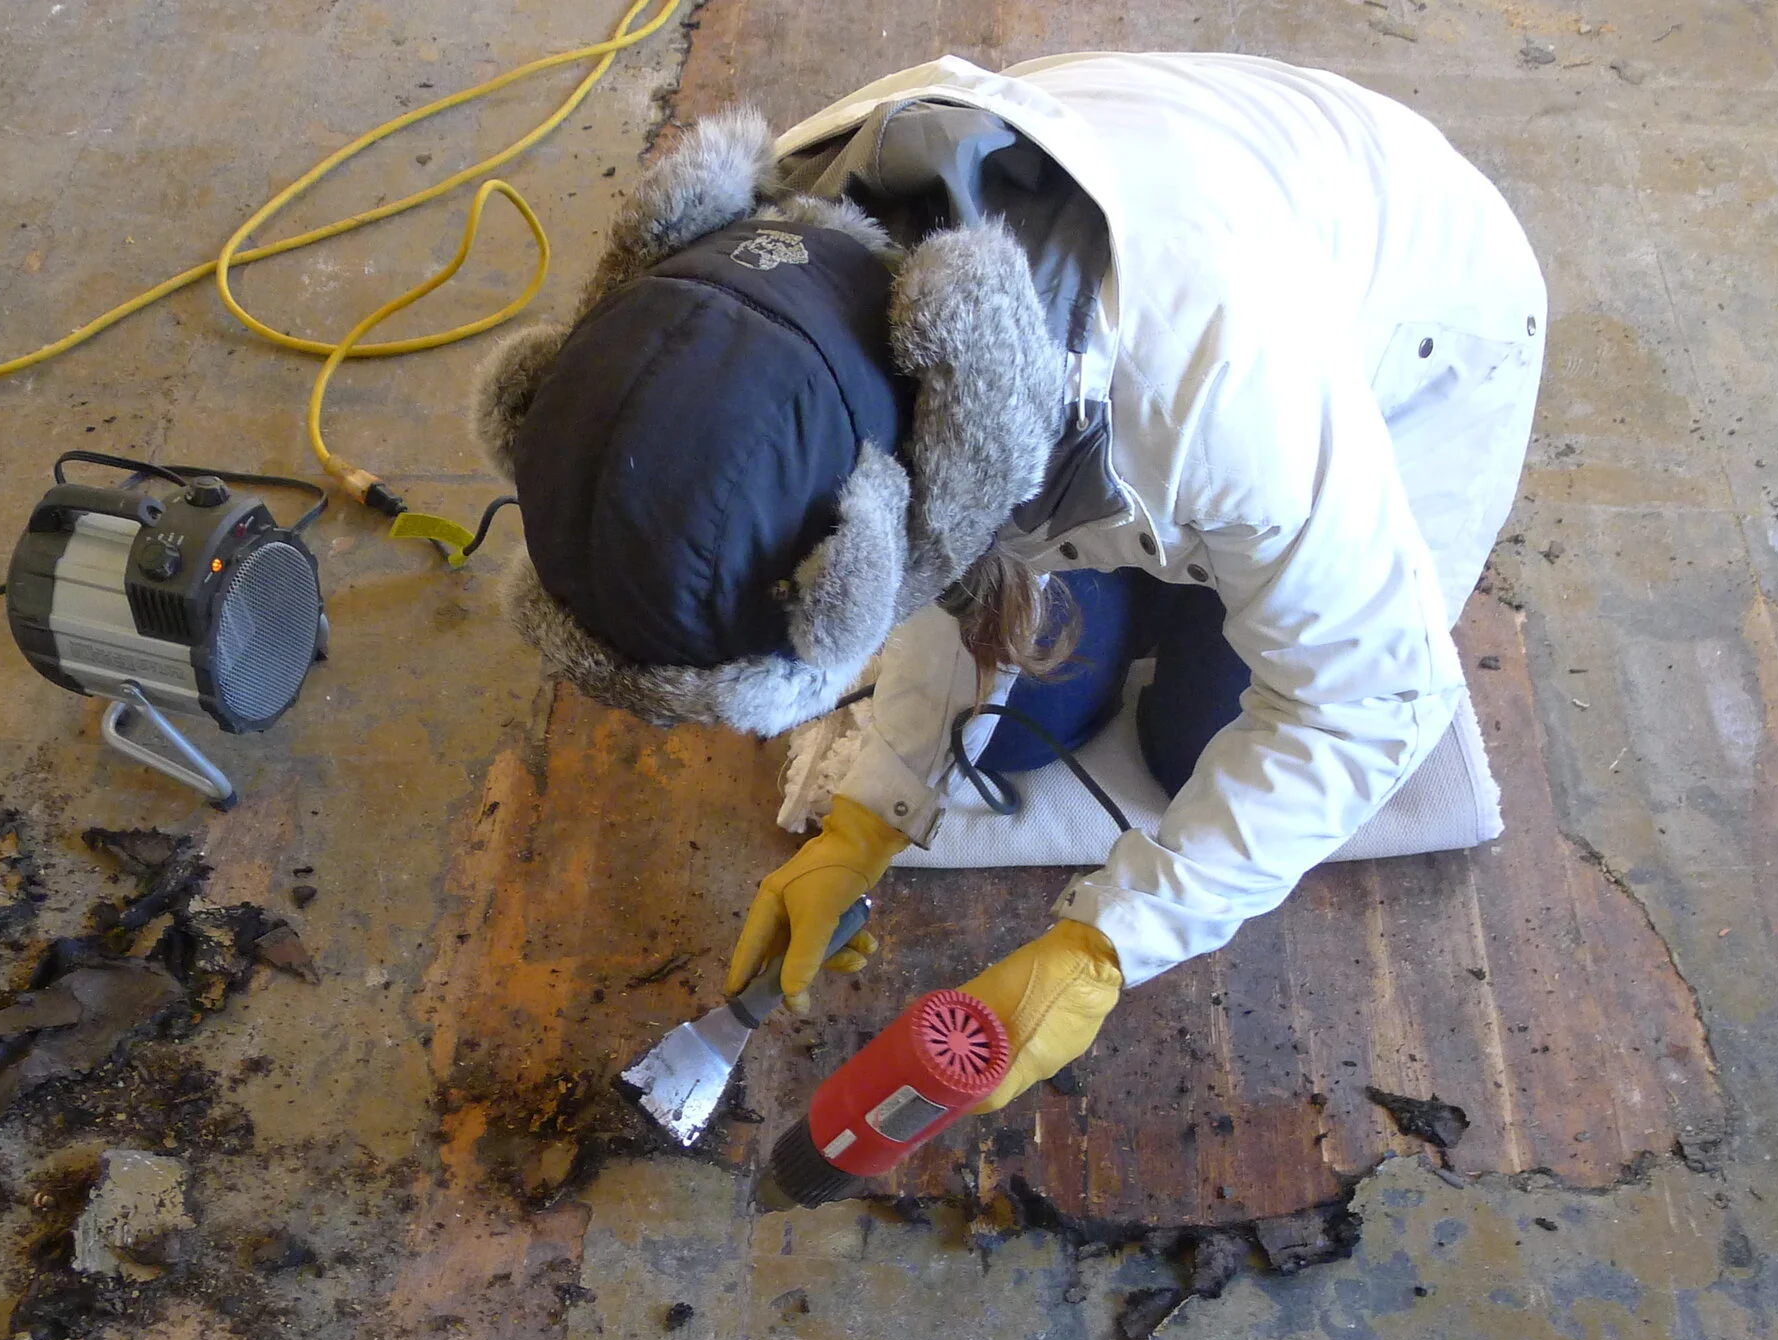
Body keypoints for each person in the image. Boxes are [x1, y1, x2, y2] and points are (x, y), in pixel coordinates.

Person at [471, 52, 1545, 1112]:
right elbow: (927, 533)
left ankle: (1209, 574)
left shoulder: (1221, 382)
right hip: (1185, 237)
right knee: (1028, 726)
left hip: (1410, 316)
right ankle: (1184, 570)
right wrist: (872, 814)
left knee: (1197, 749)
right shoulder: (760, 257)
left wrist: (1104, 948)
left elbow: (1361, 705)